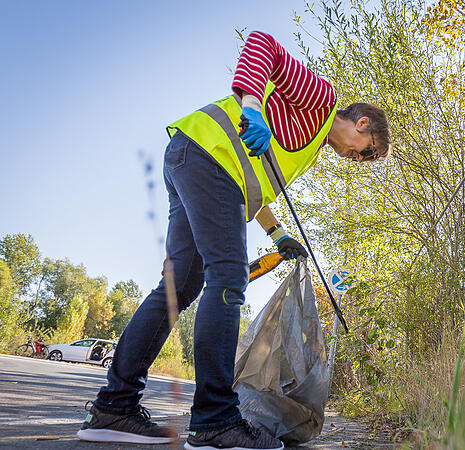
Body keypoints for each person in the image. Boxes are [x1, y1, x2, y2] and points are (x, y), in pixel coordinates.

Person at [77, 30, 391, 450]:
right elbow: (263, 45)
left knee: (179, 288)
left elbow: (252, 182)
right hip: (208, 157)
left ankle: (113, 409)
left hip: (193, 158)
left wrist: (278, 234)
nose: (359, 159)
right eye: (366, 150)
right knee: (227, 279)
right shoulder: (321, 100)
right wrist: (253, 108)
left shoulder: (310, 144)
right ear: (362, 122)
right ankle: (214, 421)